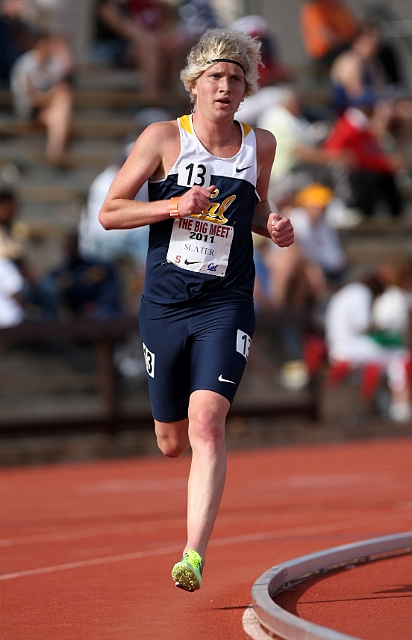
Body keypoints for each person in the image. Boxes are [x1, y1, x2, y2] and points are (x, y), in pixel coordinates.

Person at [99, 27, 294, 591]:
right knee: (170, 439)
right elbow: (111, 212)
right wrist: (172, 206)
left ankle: (193, 555)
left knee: (207, 423)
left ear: (247, 87)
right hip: (165, 305)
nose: (226, 87)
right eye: (216, 77)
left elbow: (252, 210)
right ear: (194, 84)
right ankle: (169, 430)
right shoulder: (164, 138)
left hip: (226, 302)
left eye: (236, 78)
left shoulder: (262, 144)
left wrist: (271, 224)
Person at [324, 271, 411, 422]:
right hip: (350, 348)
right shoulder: (361, 292)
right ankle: (401, 409)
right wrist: (385, 327)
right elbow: (363, 324)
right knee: (402, 357)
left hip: (344, 345)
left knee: (393, 360)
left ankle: (395, 407)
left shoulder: (351, 291)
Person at [322, 89, 407, 217]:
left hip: (364, 168)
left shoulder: (361, 125)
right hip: (351, 173)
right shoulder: (350, 126)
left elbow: (371, 151)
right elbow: (335, 150)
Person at [10, 29, 73, 163]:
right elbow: (31, 100)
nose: (51, 46)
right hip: (28, 110)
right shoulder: (25, 65)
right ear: (40, 44)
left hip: (47, 108)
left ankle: (55, 150)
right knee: (61, 107)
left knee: (58, 112)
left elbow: (67, 71)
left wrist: (62, 47)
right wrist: (52, 94)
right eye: (48, 43)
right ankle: (56, 151)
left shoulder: (51, 63)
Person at [300, 0, 358, 69]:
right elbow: (324, 33)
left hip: (345, 46)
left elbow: (353, 26)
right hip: (326, 53)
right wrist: (344, 42)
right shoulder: (315, 7)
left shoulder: (336, 6)